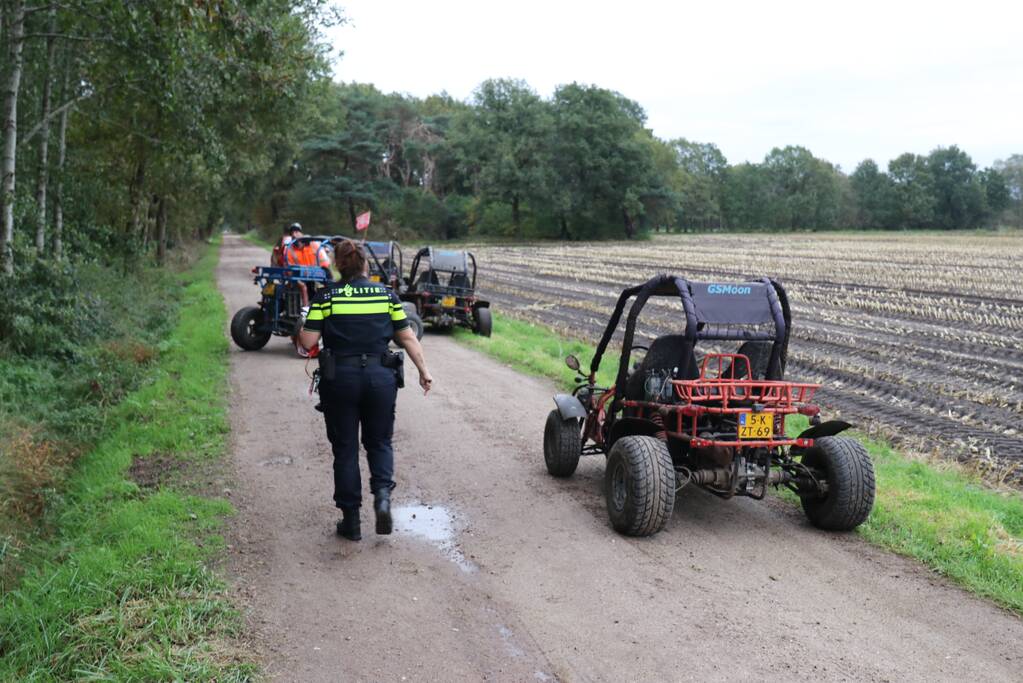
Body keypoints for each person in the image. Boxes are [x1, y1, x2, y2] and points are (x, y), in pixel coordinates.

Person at [298, 239, 433, 541]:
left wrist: (303, 325)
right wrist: (424, 372)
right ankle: (382, 498)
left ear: (339, 265)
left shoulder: (326, 297)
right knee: (380, 442)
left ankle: (352, 522)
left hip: (340, 378)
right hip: (380, 377)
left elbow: (307, 343)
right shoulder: (386, 295)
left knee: (345, 448)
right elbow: (407, 338)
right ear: (364, 265)